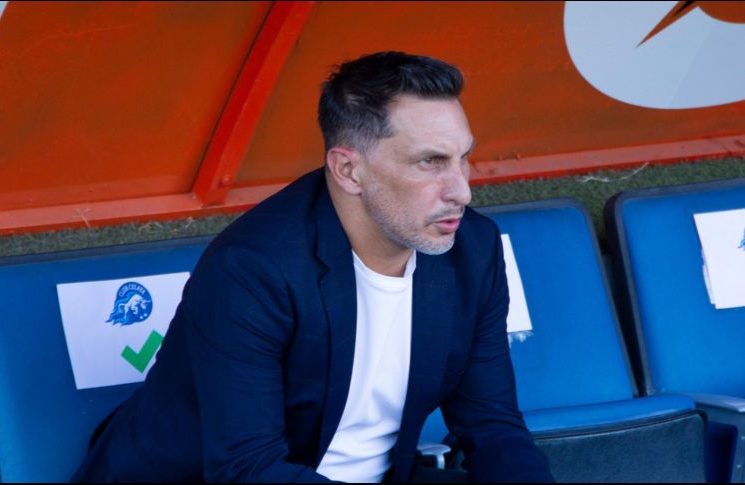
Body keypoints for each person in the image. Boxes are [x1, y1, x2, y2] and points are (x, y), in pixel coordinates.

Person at [73, 51, 554, 483]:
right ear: (348, 170)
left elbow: (493, 426)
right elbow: (247, 468)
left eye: (462, 158)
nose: (462, 191)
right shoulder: (252, 270)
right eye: (430, 162)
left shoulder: (472, 249)